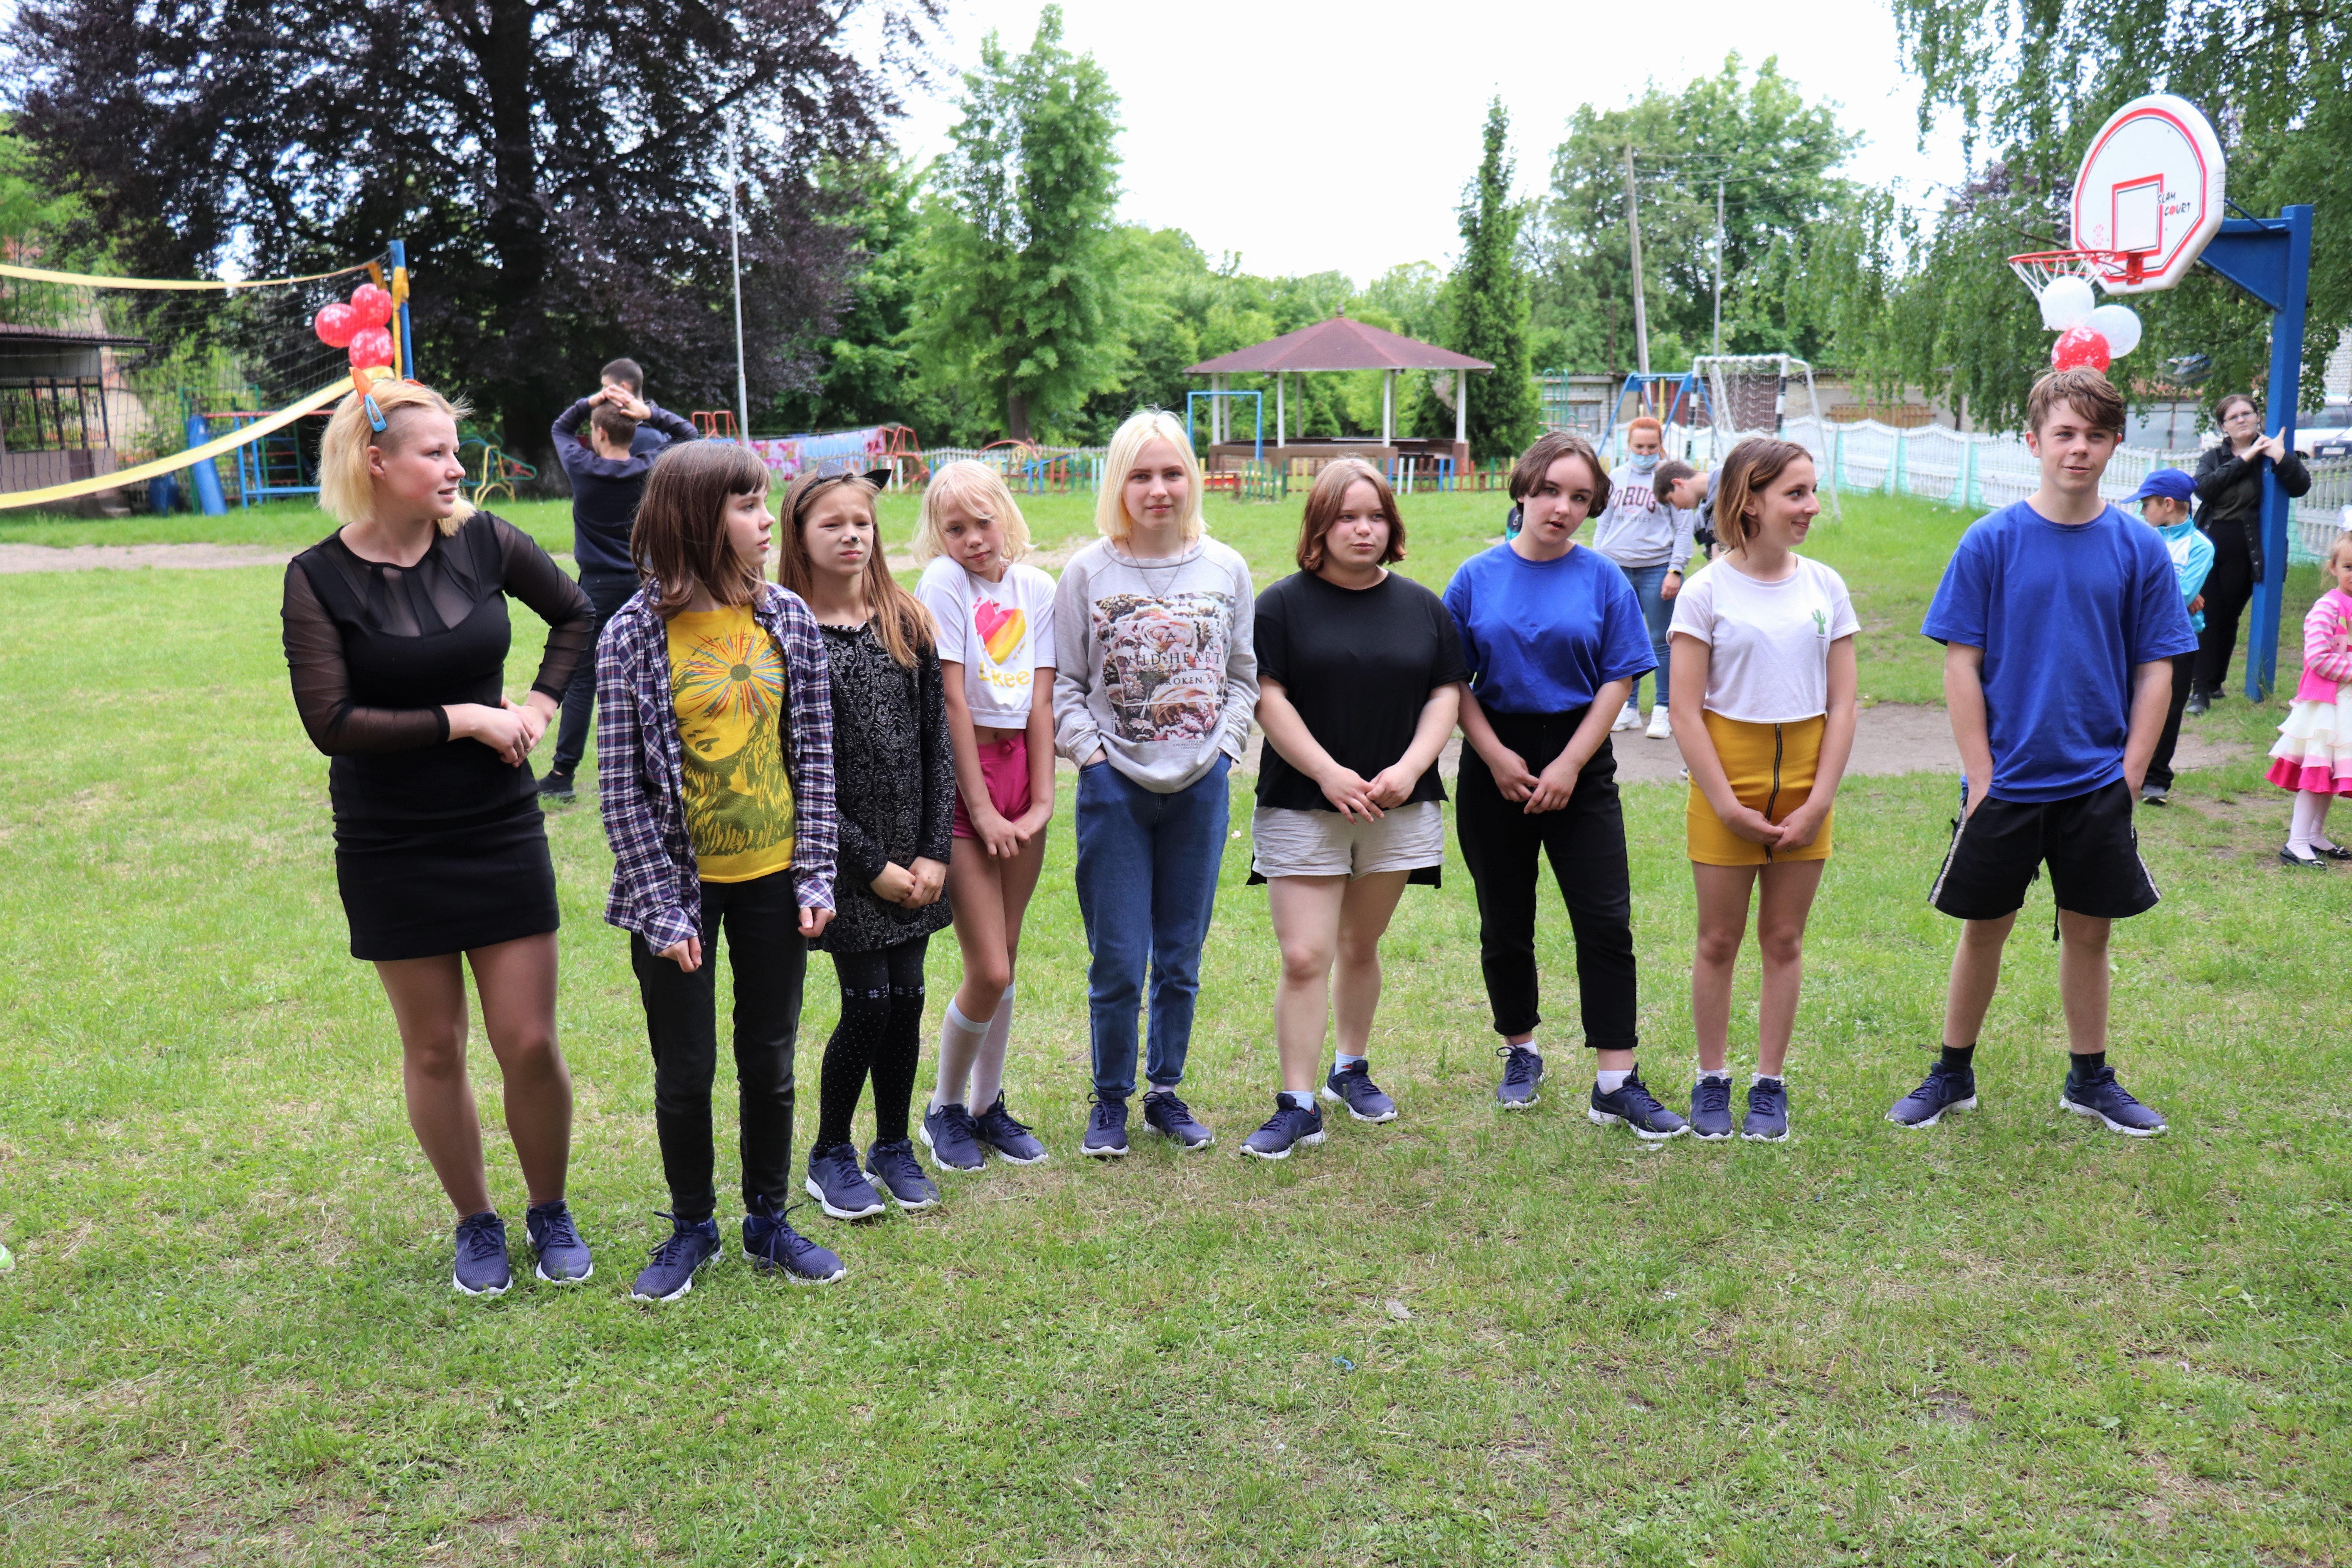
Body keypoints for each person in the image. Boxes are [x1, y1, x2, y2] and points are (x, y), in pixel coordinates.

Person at [280, 377, 597, 1296]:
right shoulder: (315, 577)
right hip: (390, 839)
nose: (458, 466)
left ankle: (549, 1208)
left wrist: (537, 706)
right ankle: (476, 1220)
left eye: (457, 449)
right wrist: (467, 717)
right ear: (375, 461)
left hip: (497, 824)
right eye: (437, 452)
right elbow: (332, 722)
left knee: (528, 1039)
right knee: (432, 1047)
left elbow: (576, 612)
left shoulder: (487, 541)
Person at [1891, 368, 2197, 1138]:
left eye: (2095, 435)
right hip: (2008, 780)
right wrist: (1982, 773)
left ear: (2116, 444)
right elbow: (1961, 663)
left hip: (2096, 781)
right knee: (1984, 926)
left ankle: (2090, 1079)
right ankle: (1952, 1072)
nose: (2078, 448)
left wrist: (2131, 773)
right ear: (2034, 441)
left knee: (2090, 931)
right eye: (2064, 433)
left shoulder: (2138, 547)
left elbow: (2157, 668)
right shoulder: (1991, 541)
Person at [597, 440, 845, 1299]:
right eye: (748, 506)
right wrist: (662, 910)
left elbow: (816, 757)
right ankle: (692, 1226)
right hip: (675, 893)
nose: (768, 521)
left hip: (776, 879)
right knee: (687, 1068)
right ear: (698, 520)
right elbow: (620, 789)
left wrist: (815, 874)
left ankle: (768, 1221)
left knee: (769, 1059)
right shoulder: (631, 635)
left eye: (765, 503)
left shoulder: (787, 619)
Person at [1443, 430, 1686, 1137]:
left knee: (1605, 920)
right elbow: (1452, 679)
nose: (1562, 508)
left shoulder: (1603, 578)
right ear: (1524, 489)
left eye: (1580, 497)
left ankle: (1615, 1081)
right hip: (1496, 762)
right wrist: (1493, 754)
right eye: (1550, 491)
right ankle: (1520, 1049)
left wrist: (1571, 764)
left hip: (1580, 758)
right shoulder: (1475, 577)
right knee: (1505, 920)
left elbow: (1620, 676)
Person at [1239, 458, 1466, 1160]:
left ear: (1392, 526)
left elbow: (1446, 693)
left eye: (1375, 517)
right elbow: (1268, 697)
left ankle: (1351, 1069)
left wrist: (1411, 767)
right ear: (1319, 526)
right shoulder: (1280, 606)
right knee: (1305, 955)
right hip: (1303, 804)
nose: (1363, 529)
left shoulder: (1424, 607)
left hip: (1398, 805)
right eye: (1346, 517)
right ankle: (1297, 1104)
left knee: (1360, 946)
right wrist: (1328, 773)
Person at [1053, 408, 1259, 1157]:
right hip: (1115, 790)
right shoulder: (1087, 572)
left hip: (1201, 788)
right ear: (1119, 483)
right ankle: (1110, 1099)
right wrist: (1092, 758)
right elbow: (1065, 684)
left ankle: (1164, 1093)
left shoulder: (1226, 568)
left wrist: (1225, 751)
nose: (1158, 489)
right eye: (1141, 475)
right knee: (1117, 957)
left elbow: (1243, 677)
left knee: (1179, 956)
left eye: (1172, 473)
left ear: (1192, 480)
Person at [774, 469, 956, 1218]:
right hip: (846, 863)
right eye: (833, 524)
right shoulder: (788, 638)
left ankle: (893, 1144)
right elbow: (793, 771)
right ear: (799, 536)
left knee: (909, 999)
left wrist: (933, 851)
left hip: (916, 858)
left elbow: (938, 744)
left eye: (863, 522)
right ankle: (830, 1152)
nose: (852, 535)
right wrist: (872, 865)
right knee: (869, 1004)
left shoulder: (906, 622)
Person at [1667, 438, 1859, 1142]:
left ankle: (1769, 1084)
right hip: (1727, 787)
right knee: (1718, 939)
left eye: (1812, 491)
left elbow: (1844, 705)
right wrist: (1725, 804)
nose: (1812, 507)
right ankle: (1711, 1078)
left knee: (1784, 938)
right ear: (1751, 500)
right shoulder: (1706, 591)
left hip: (1806, 787)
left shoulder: (1825, 586)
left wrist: (1819, 802)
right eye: (1796, 494)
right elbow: (1685, 711)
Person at [912, 461, 1058, 1171]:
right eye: (955, 528)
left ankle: (986, 1105)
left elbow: (1041, 701)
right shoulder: (944, 582)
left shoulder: (1038, 589)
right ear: (939, 536)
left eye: (983, 522)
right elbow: (951, 702)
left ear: (1006, 515)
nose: (972, 538)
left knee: (1010, 951)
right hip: (963, 782)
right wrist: (981, 810)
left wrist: (1042, 801)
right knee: (989, 968)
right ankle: (943, 1108)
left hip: (1021, 775)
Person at [540, 382, 700, 803]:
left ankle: (562, 775)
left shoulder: (581, 466)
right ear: (633, 430)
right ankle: (665, 770)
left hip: (595, 587)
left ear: (599, 433)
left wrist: (590, 401)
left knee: (583, 681)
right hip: (643, 586)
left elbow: (560, 428)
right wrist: (649, 412)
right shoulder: (650, 467)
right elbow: (690, 436)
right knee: (653, 675)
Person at [2188, 393, 2312, 713]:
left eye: (2247, 413)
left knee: (2229, 616)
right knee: (2207, 615)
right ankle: (2199, 691)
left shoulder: (2271, 453)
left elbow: (2301, 485)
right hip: (2208, 545)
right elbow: (2204, 489)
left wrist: (2280, 456)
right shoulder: (2214, 457)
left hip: (2247, 547)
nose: (2242, 419)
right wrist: (2245, 458)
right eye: (2234, 417)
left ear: (2258, 417)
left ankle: (2214, 684)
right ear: (2223, 427)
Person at [1591, 416, 1695, 740]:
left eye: (1652, 447)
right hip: (1618, 569)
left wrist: (1675, 570)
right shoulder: (1615, 478)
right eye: (1639, 447)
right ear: (1629, 445)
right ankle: (1629, 707)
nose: (1645, 453)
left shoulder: (1670, 480)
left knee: (1660, 641)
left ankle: (1663, 709)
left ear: (1661, 446)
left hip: (1657, 569)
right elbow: (1603, 525)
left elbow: (1684, 529)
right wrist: (1597, 564)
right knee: (1623, 641)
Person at [2265, 533, 2352, 866]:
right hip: (2326, 707)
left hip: (2346, 706)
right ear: (2333, 568)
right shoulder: (2328, 607)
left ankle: (2315, 835)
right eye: (2349, 566)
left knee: (2330, 772)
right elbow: (2318, 656)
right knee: (2317, 772)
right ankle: (2296, 842)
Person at [2132, 468, 2214, 806]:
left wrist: (2178, 596)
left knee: (2168, 707)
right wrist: (2176, 594)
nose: (2141, 512)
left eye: (2146, 504)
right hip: (2136, 634)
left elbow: (2183, 596)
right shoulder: (2141, 538)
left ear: (2167, 504)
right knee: (2126, 700)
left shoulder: (2200, 546)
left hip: (2177, 640)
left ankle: (2155, 780)